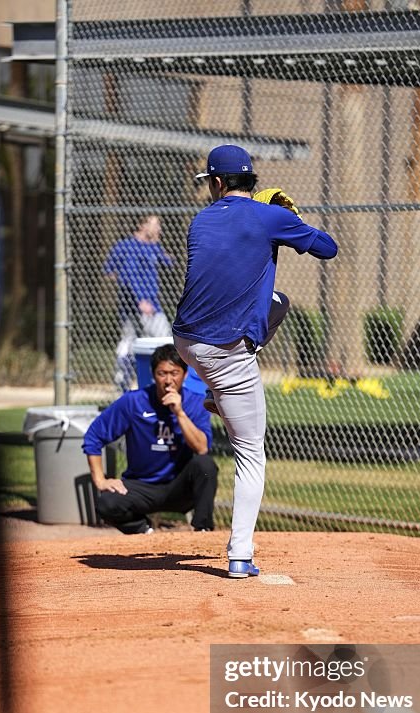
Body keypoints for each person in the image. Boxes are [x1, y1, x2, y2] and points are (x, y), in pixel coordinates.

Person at [172, 144, 338, 579]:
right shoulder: (271, 217)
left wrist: (273, 223)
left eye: (210, 182)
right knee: (250, 454)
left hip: (186, 342)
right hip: (226, 352)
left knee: (277, 302)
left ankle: (218, 394)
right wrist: (292, 222)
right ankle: (240, 555)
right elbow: (329, 249)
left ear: (219, 183)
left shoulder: (200, 220)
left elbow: (230, 256)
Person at [82, 344, 217, 534]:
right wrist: (100, 480)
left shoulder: (195, 402)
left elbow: (202, 448)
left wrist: (179, 413)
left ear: (185, 375)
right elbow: (93, 436)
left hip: (178, 486)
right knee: (107, 503)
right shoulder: (133, 401)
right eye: (162, 373)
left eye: (174, 373)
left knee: (205, 466)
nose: (169, 380)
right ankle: (144, 531)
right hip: (142, 486)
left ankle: (202, 530)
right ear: (153, 375)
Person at [104, 215, 174, 390]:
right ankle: (123, 382)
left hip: (152, 303)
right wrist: (138, 300)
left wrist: (157, 243)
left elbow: (169, 263)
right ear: (142, 225)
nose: (159, 228)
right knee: (145, 341)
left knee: (149, 342)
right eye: (155, 225)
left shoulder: (152, 247)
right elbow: (117, 273)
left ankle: (147, 382)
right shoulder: (127, 247)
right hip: (137, 305)